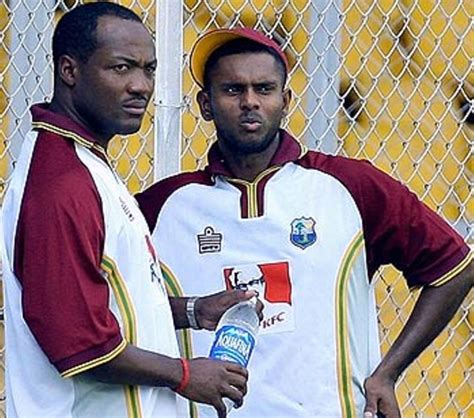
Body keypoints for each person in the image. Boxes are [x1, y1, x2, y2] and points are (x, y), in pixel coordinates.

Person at [136, 27, 473, 417]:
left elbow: (455, 267)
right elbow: (105, 302)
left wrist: (387, 374)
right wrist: (190, 311)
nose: (250, 102)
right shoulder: (163, 205)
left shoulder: (349, 186)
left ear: (285, 100)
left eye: (264, 89)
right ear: (205, 104)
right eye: (232, 90)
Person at [1, 6, 260, 418]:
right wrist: (185, 374)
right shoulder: (59, 185)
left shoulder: (88, 164)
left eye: (149, 69)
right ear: (69, 70)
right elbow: (79, 345)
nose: (141, 86)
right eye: (121, 68)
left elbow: (104, 306)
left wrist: (193, 311)